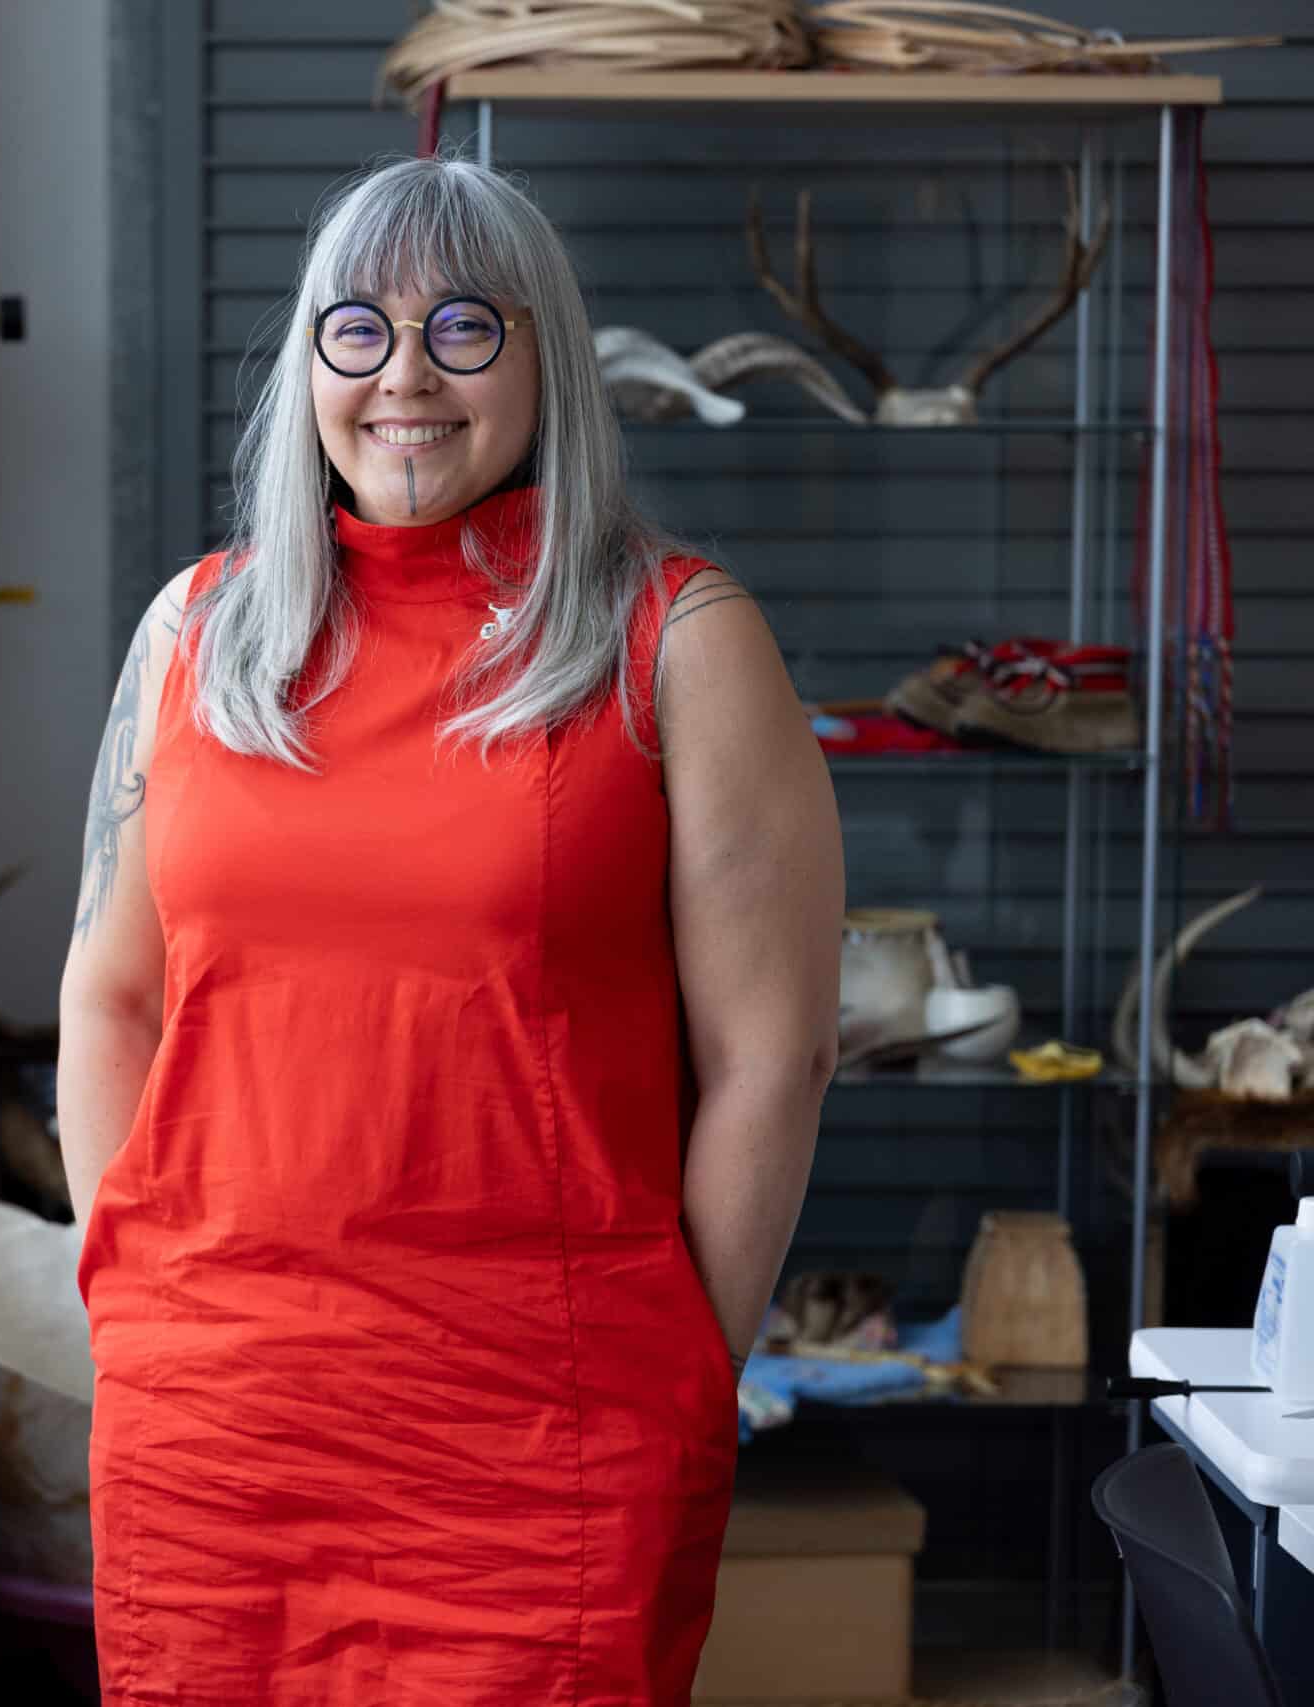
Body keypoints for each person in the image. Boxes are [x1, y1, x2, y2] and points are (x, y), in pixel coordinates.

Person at [59, 155, 842, 1704]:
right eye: (357, 330)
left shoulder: (678, 638)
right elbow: (110, 999)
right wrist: (131, 1300)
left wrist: (683, 1365)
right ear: (309, 368)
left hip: (545, 1432)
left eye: (464, 329)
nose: (404, 375)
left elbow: (778, 1052)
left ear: (547, 358)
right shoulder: (194, 634)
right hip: (218, 1435)